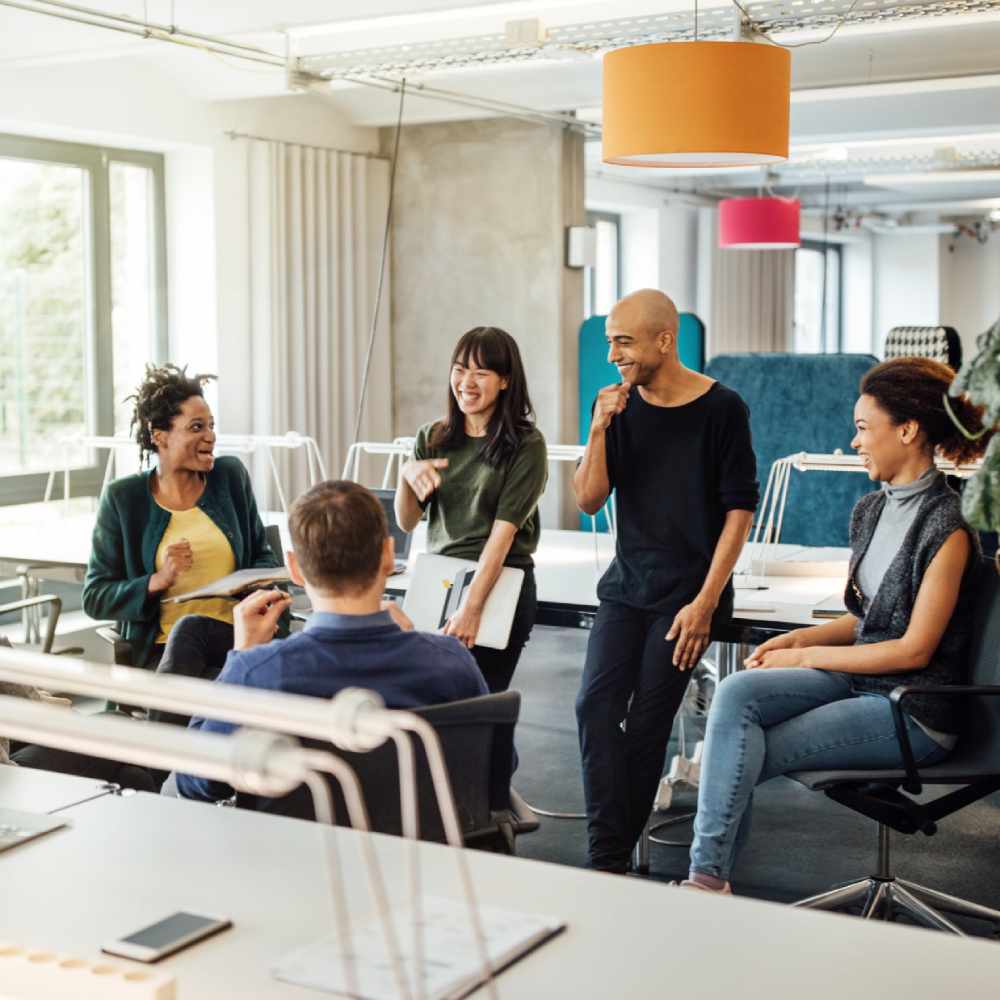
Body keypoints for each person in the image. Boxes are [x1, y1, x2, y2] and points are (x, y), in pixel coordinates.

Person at [683, 356, 992, 895]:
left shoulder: (950, 527)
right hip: (862, 679)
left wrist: (805, 657)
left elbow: (913, 650)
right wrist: (799, 637)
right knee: (736, 694)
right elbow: (867, 619)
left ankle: (708, 881)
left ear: (908, 429)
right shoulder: (870, 510)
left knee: (743, 748)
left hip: (912, 709)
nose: (854, 442)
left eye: (862, 428)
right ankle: (708, 878)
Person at [573, 289, 759, 874]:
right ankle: (611, 857)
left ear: (663, 339)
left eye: (622, 341)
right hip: (627, 586)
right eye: (609, 342)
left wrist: (706, 602)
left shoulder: (722, 409)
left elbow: (738, 511)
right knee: (593, 708)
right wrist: (599, 429)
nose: (613, 355)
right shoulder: (619, 408)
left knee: (648, 726)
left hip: (688, 597)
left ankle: (608, 862)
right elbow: (587, 498)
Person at [175, 480, 488, 802]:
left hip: (294, 849)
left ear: (294, 568)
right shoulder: (450, 662)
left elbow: (195, 783)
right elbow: (493, 772)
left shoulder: (255, 673)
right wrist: (423, 650)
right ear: (388, 556)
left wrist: (239, 658)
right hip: (415, 848)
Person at [82, 364, 281, 726]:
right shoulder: (124, 500)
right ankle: (176, 770)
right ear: (160, 436)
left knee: (197, 643)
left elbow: (263, 556)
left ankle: (156, 770)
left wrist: (251, 582)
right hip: (162, 652)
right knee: (202, 672)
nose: (210, 436)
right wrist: (155, 581)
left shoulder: (229, 477)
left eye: (211, 425)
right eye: (196, 427)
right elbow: (95, 596)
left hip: (236, 638)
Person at [395, 326, 548, 694]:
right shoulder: (431, 437)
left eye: (481, 372)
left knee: (481, 705)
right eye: (460, 369)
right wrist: (406, 474)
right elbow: (406, 521)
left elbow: (502, 536)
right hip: (439, 577)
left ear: (505, 381)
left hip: (499, 583)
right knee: (434, 706)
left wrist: (471, 608)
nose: (466, 381)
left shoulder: (526, 444)